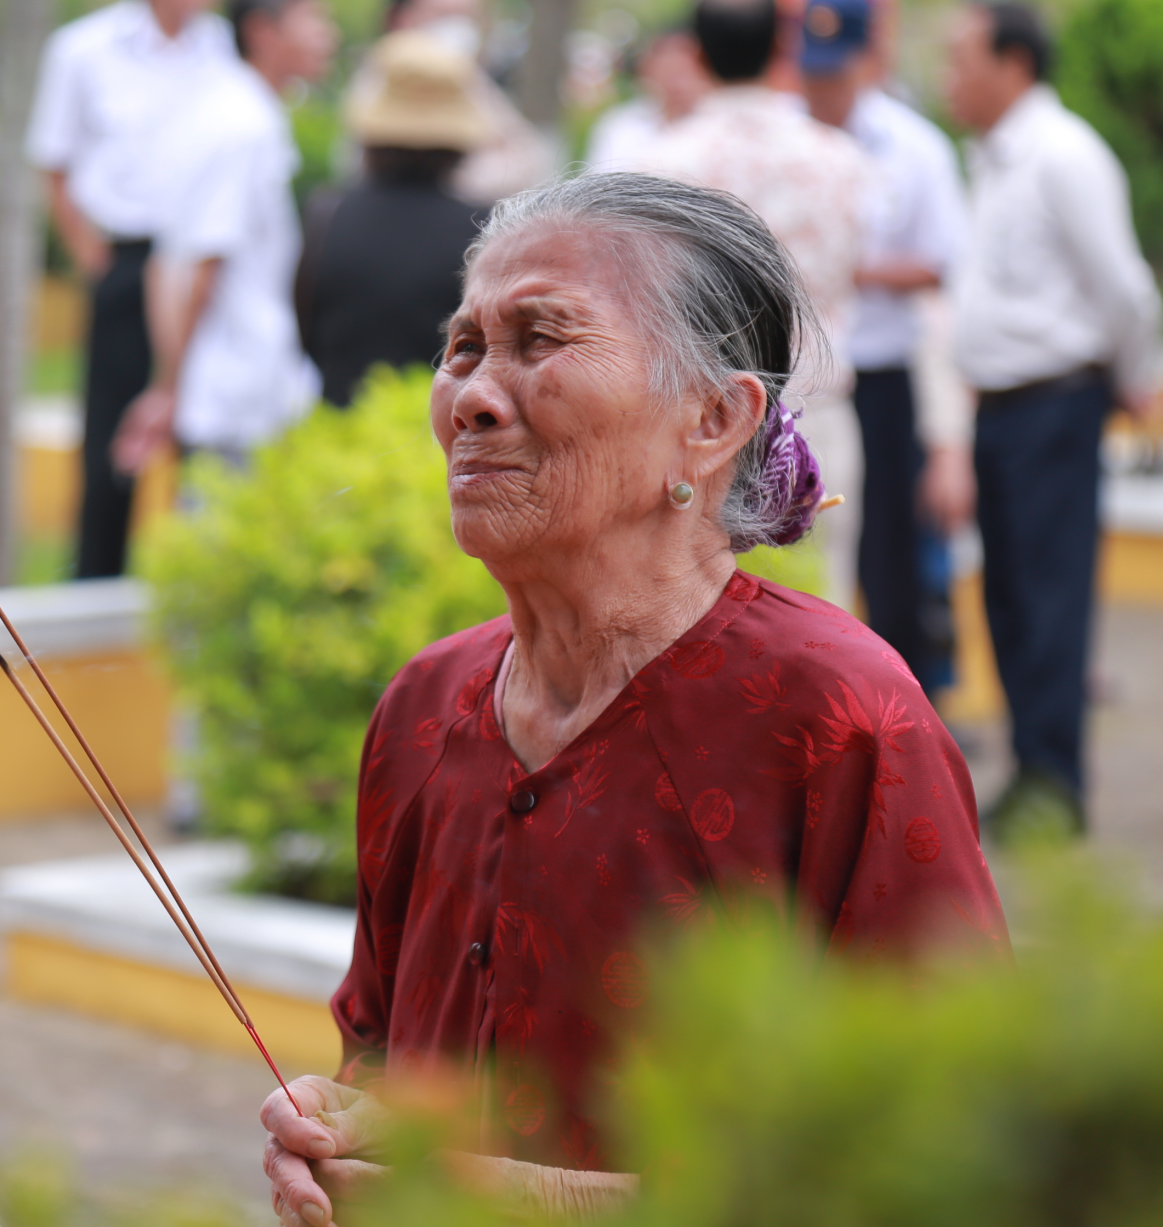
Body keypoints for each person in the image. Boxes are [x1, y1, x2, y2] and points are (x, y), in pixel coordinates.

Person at [258, 175, 1008, 1224]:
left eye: (539, 340)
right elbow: (387, 1049)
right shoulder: (426, 707)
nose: (469, 394)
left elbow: (943, 1156)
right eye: (463, 347)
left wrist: (542, 1205)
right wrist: (342, 1127)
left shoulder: (839, 719)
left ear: (710, 417)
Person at [943, 0, 1161, 836]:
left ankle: (1056, 786)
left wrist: (1136, 380)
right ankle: (1031, 771)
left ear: (1014, 64)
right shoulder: (994, 159)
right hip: (1000, 408)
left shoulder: (1065, 156)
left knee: (1050, 598)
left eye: (961, 57)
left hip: (1057, 403)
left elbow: (1126, 290)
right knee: (1007, 596)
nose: (948, 76)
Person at [638, 0, 873, 612]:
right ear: (784, 47)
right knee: (821, 628)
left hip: (698, 432)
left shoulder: (654, 165)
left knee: (698, 635)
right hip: (818, 416)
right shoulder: (841, 158)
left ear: (696, 52)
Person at [25, 0, 231, 578]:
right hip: (127, 257)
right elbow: (53, 163)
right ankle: (96, 578)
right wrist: (91, 255)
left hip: (199, 257)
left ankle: (193, 572)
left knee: (201, 413)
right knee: (111, 428)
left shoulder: (219, 47)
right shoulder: (84, 50)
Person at [798, 0, 973, 693]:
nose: (822, 90)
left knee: (895, 560)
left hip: (885, 373)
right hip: (806, 381)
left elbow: (943, 263)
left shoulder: (914, 148)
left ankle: (904, 714)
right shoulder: (785, 142)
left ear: (868, 62)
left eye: (835, 73)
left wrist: (848, 269)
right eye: (812, 73)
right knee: (808, 548)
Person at [110, 0, 337, 473]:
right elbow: (200, 267)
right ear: (261, 31)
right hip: (236, 390)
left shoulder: (244, 112)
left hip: (246, 383)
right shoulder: (240, 124)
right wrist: (168, 386)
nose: (328, 35)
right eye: (312, 19)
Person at [296, 30, 488, 407]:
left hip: (337, 431)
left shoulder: (328, 213)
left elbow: (306, 332)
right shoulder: (486, 228)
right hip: (447, 437)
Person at [349, 0, 556, 205]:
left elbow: (531, 161)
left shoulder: (473, 80)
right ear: (401, 19)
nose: (459, 26)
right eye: (444, 12)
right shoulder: (381, 85)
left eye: (469, 14)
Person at [583, 28, 716, 172]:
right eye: (668, 71)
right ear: (649, 71)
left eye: (685, 72)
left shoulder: (721, 128)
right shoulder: (622, 124)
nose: (677, 83)